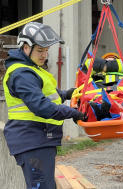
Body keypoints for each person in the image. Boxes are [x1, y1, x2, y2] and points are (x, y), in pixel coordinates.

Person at [3, 22, 86, 189]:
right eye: (40, 50)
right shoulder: (23, 73)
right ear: (25, 48)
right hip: (33, 140)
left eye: (47, 50)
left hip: (36, 140)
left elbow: (46, 95)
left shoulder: (30, 68)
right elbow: (41, 106)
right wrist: (73, 113)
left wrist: (67, 94)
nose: (45, 55)